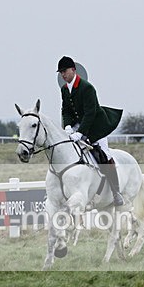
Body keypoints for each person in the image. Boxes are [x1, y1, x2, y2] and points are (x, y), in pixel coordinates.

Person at [57, 56, 125, 206]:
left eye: (65, 71)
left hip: (95, 126)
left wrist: (80, 133)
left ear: (73, 70)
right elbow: (66, 110)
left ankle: (116, 191)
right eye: (61, 72)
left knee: (104, 155)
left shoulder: (87, 87)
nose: (63, 74)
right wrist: (68, 126)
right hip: (77, 126)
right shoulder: (64, 89)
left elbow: (90, 113)